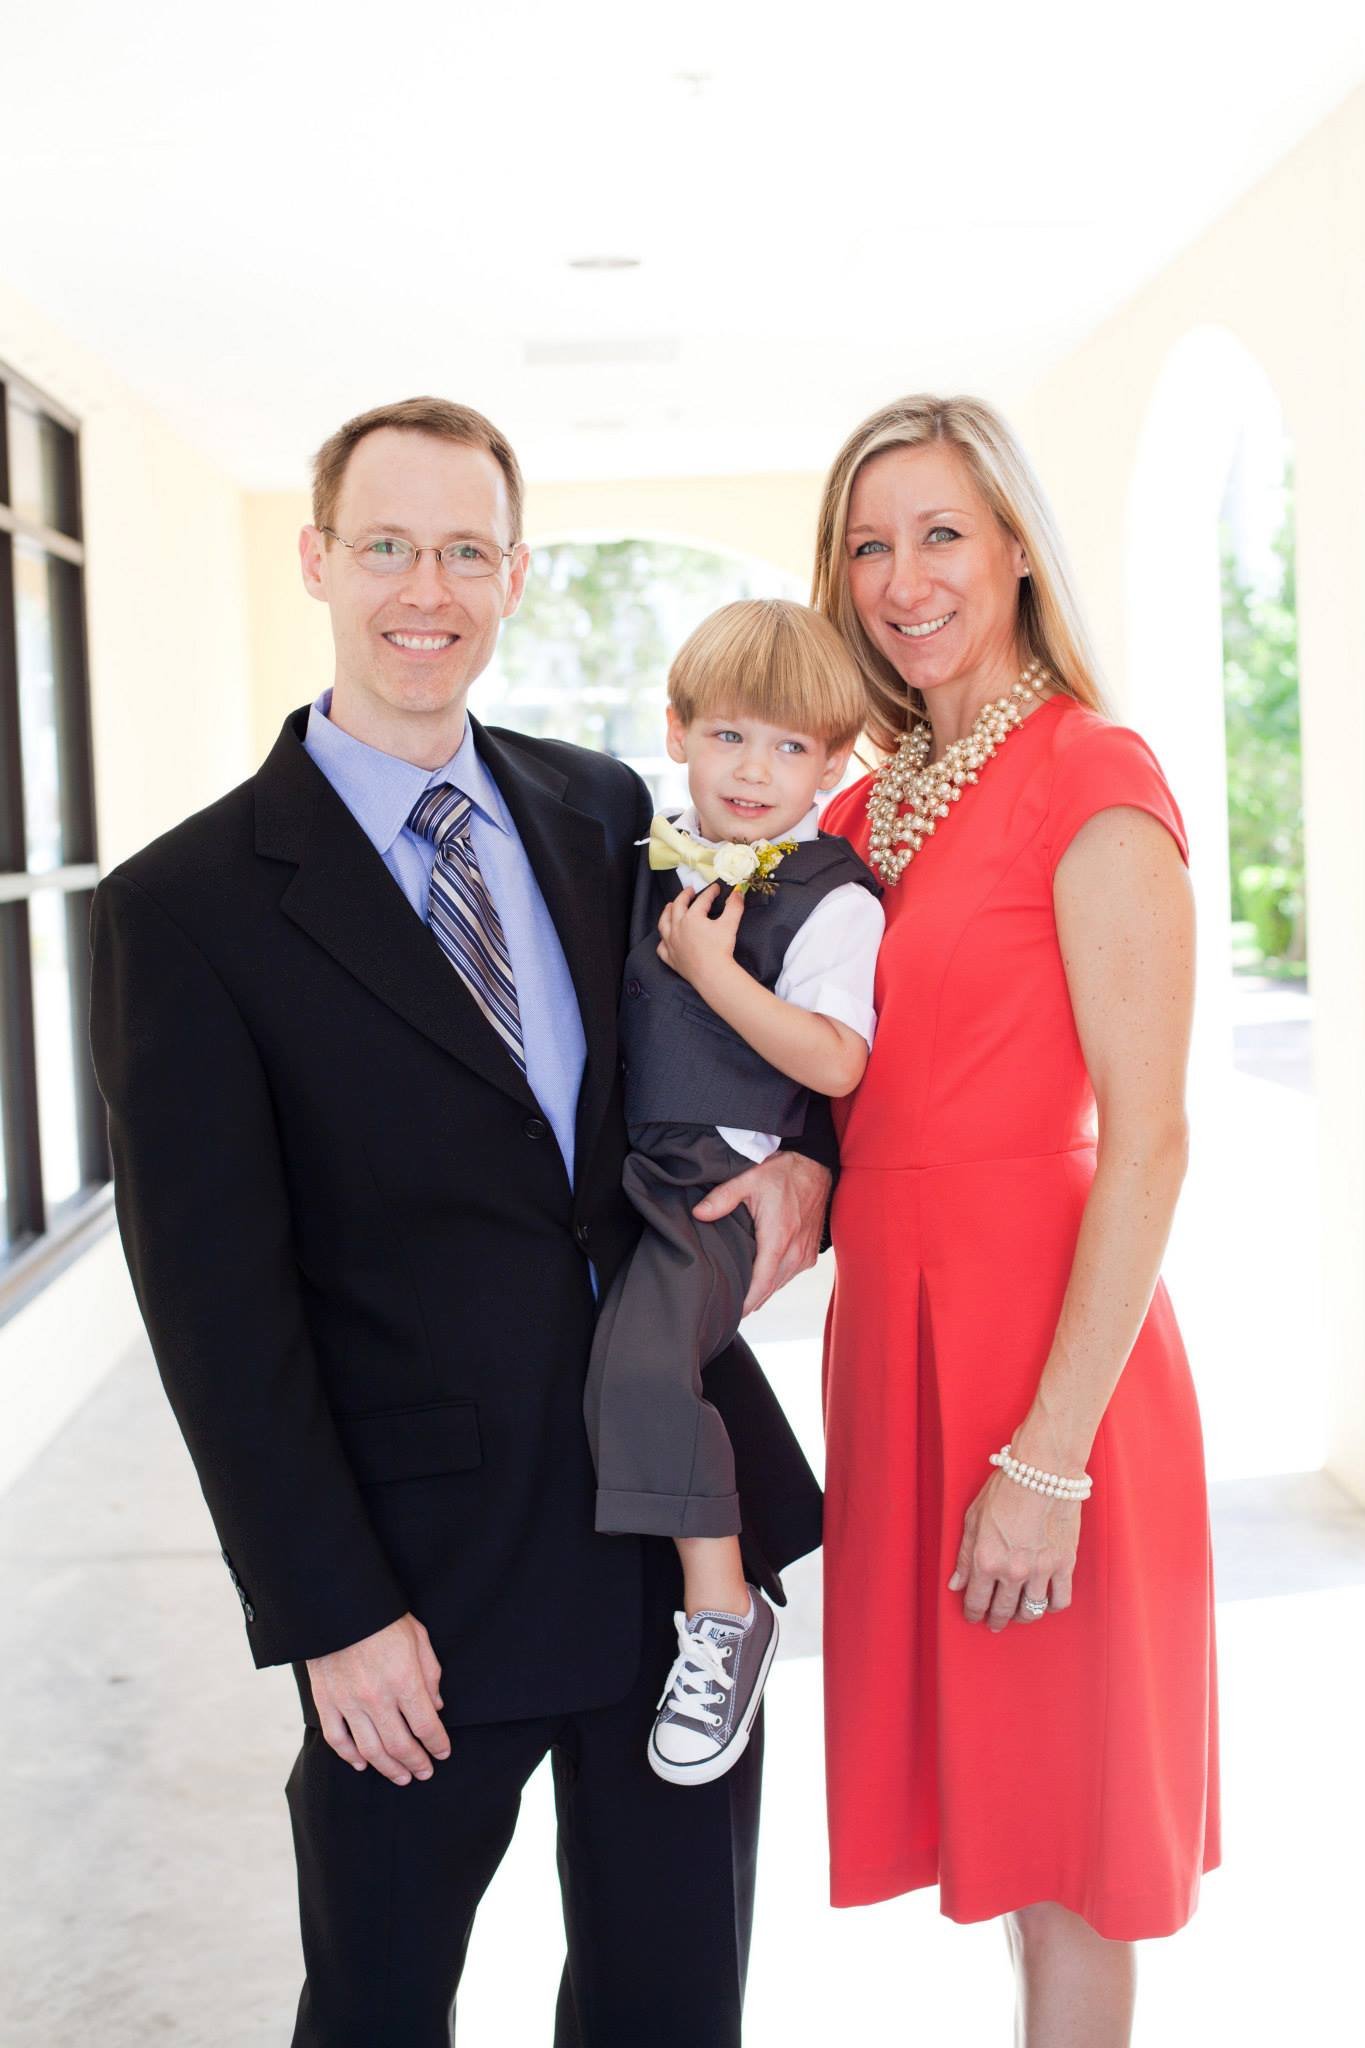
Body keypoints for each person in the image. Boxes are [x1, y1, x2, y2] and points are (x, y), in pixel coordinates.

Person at [88, 396, 833, 2048]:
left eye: (465, 551)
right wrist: (329, 1610)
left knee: (673, 2001)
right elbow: (215, 1310)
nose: (426, 589)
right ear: (318, 561)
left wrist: (812, 1162)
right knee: (378, 2005)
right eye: (387, 546)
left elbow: (754, 1012)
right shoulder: (185, 908)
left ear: (514, 575)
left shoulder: (603, 808)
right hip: (412, 1582)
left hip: (668, 1544)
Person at [810, 394, 1219, 2047]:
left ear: (1019, 551)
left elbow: (1150, 1142)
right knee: (1002, 1832)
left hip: (1048, 1373)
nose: (903, 580)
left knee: (1067, 1857)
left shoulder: (1089, 773)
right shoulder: (860, 814)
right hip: (898, 1353)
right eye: (869, 545)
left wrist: (1047, 1461)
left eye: (941, 534)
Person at [582, 599, 883, 1786]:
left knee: (643, 1365)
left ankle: (724, 1607)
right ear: (677, 731)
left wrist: (713, 971)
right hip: (629, 1169)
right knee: (601, 1361)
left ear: (834, 762)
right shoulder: (642, 854)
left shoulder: (832, 897)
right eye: (729, 737)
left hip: (718, 1181)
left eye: (789, 746)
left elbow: (838, 1059)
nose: (755, 770)